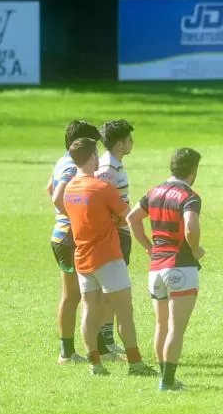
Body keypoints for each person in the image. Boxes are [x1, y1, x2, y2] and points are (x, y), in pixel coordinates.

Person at [60, 138, 156, 377]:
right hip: (108, 257)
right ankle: (135, 364)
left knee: (89, 311)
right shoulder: (102, 188)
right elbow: (127, 217)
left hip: (82, 257)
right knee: (124, 311)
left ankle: (95, 363)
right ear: (93, 156)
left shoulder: (70, 188)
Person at [127, 148, 205, 392]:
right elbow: (191, 226)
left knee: (161, 325)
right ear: (193, 171)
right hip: (179, 265)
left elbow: (132, 218)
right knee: (176, 328)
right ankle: (168, 382)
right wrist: (195, 249)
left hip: (155, 269)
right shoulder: (189, 195)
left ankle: (164, 377)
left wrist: (149, 247)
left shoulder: (154, 191)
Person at [47, 120, 103, 365]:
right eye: (93, 145)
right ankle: (67, 353)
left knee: (77, 294)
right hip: (70, 238)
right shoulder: (71, 165)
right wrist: (74, 216)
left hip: (61, 235)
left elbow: (49, 187)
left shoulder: (61, 161)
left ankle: (74, 349)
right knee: (72, 296)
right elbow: (57, 196)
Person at [93, 119, 136, 357]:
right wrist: (118, 220)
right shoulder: (109, 167)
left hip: (120, 231)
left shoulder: (113, 163)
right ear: (120, 144)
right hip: (115, 233)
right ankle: (102, 343)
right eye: (129, 139)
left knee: (112, 290)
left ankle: (106, 340)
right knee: (110, 290)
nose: (132, 143)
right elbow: (100, 198)